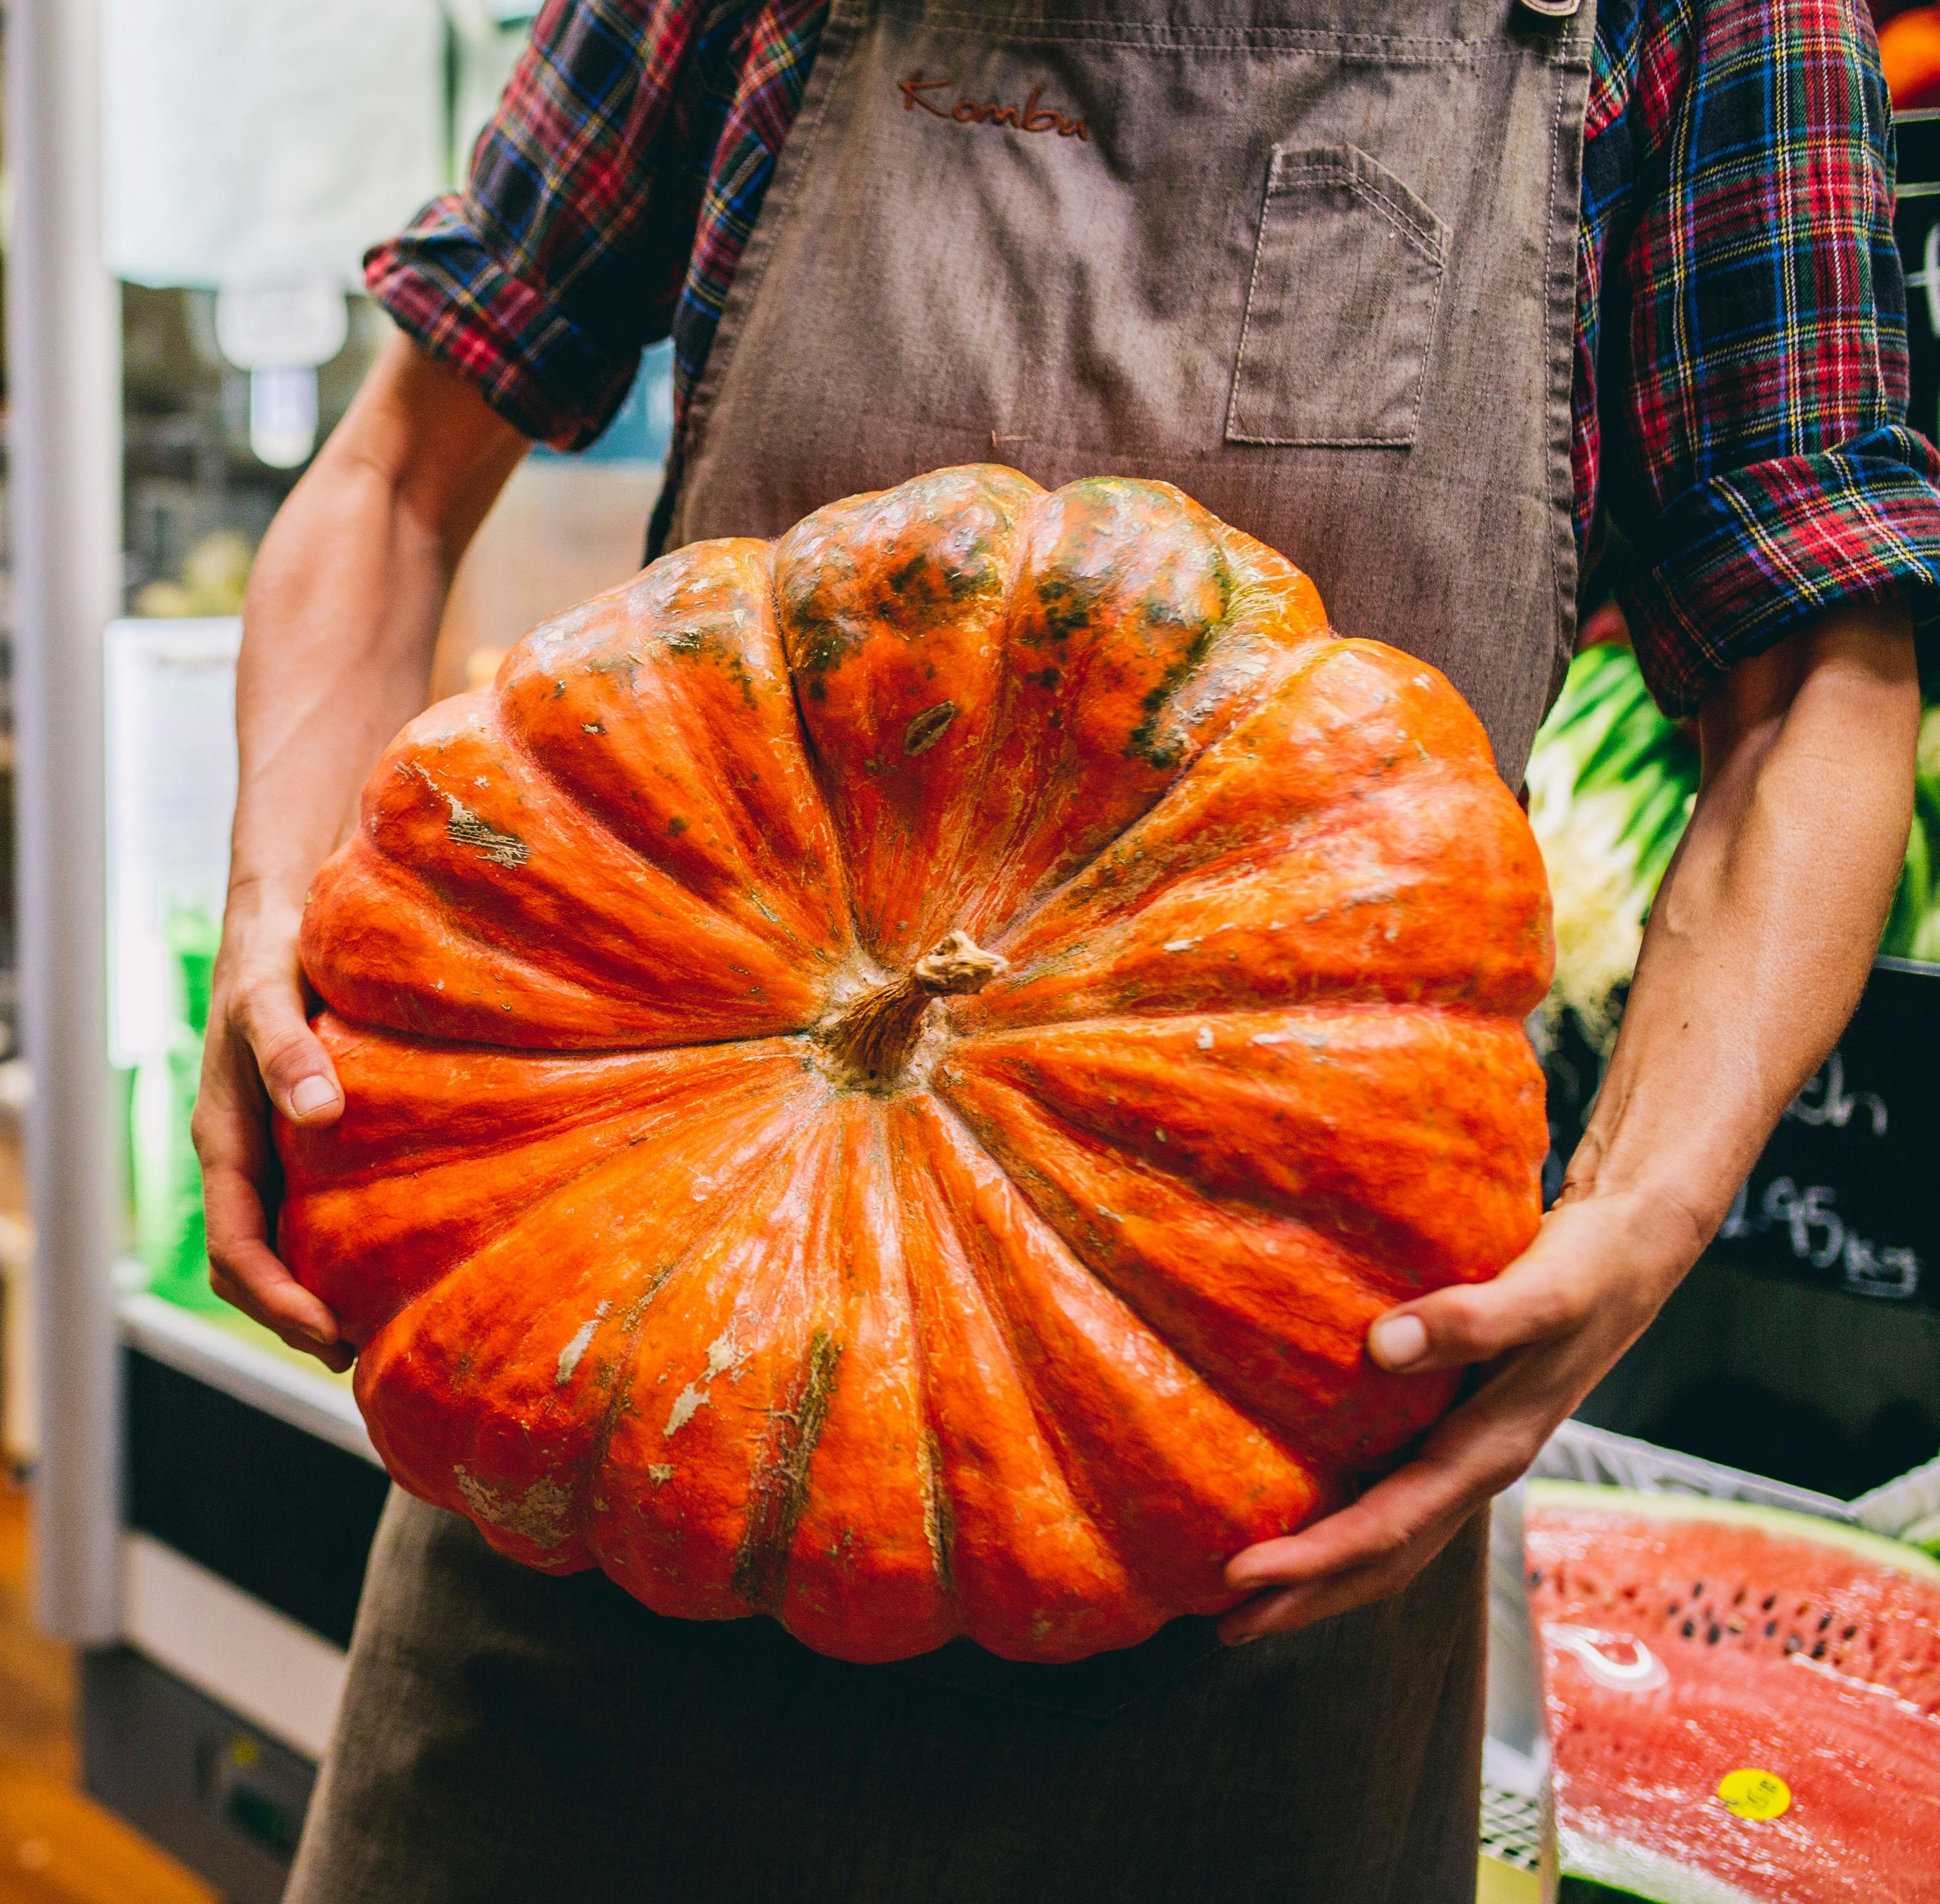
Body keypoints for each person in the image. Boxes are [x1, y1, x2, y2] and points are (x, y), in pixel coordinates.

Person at [193, 0, 1938, 1896]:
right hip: (597, 1456)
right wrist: (279, 899)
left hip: (1258, 1510)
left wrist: (1646, 1215)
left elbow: (1818, 680)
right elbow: (390, 474)